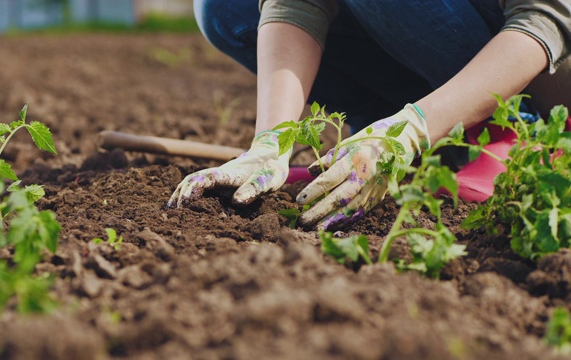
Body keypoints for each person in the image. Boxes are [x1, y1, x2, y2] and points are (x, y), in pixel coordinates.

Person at [168, 0, 571, 230]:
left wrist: (410, 131)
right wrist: (272, 142)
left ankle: (508, 135)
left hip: (543, 82)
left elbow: (547, 17)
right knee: (223, 7)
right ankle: (376, 136)